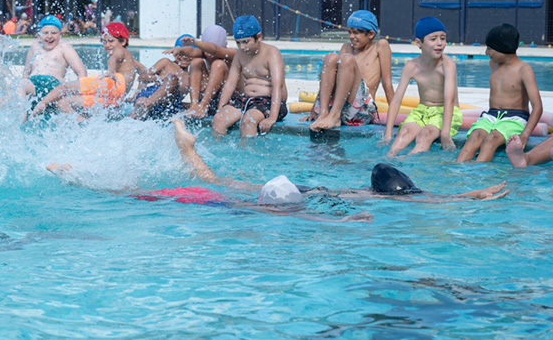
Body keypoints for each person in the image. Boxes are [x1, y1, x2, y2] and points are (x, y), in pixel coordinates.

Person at [47, 120, 507, 221]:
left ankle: (189, 153)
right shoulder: (268, 209)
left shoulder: (269, 200)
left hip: (258, 190)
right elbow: (302, 215)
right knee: (130, 194)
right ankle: (78, 177)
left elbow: (303, 211)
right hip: (220, 197)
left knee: (206, 181)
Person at [457, 24, 543, 163]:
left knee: (491, 139)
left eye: (490, 48)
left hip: (515, 118)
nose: (486, 53)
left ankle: (477, 175)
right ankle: (456, 170)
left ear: (503, 48)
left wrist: (525, 135)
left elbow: (537, 107)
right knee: (475, 136)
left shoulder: (524, 70)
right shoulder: (494, 64)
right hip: (491, 115)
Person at [382, 17, 462, 157]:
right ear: (419, 43)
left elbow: (449, 99)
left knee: (425, 134)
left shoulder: (448, 65)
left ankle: (408, 165)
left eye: (442, 38)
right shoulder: (411, 67)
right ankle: (388, 161)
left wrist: (445, 134)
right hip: (422, 112)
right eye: (433, 39)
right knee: (404, 133)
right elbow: (396, 100)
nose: (439, 43)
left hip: (445, 111)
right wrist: (388, 134)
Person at [303, 10, 395, 132]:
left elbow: (387, 83)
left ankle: (334, 116)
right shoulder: (346, 47)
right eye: (350, 32)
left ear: (371, 34)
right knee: (330, 58)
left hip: (361, 110)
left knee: (347, 59)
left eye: (356, 33)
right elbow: (332, 80)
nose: (351, 37)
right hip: (340, 107)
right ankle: (323, 113)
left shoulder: (380, 46)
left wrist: (395, 114)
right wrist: (314, 109)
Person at [29, 22, 143, 120]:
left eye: (110, 41)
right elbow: (145, 73)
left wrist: (111, 72)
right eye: (104, 42)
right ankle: (83, 122)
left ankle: (41, 105)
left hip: (112, 84)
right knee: (63, 102)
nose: (107, 45)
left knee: (65, 88)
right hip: (116, 97)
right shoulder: (131, 59)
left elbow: (112, 60)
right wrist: (138, 92)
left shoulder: (120, 50)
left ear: (122, 41)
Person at [211, 15, 288, 138]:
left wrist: (272, 117)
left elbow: (277, 86)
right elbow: (230, 84)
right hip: (246, 99)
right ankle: (218, 154)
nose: (242, 47)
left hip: (269, 101)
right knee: (219, 119)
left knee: (248, 121)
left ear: (259, 37)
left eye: (246, 42)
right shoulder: (240, 54)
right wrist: (220, 109)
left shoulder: (272, 53)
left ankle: (248, 154)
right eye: (238, 43)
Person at [18, 14, 88, 113]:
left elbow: (81, 71)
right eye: (45, 33)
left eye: (54, 33)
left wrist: (80, 92)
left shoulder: (64, 47)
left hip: (54, 86)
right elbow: (26, 73)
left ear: (60, 34)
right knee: (20, 85)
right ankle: (20, 120)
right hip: (33, 85)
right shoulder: (34, 47)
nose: (49, 36)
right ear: (39, 35)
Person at [165, 25, 236, 119]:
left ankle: (203, 106)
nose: (210, 54)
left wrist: (196, 42)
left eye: (211, 50)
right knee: (196, 62)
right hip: (208, 98)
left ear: (224, 46)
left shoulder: (231, 53)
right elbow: (192, 51)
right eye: (206, 51)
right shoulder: (202, 52)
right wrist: (180, 49)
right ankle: (194, 105)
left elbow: (214, 50)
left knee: (218, 64)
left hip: (226, 100)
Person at [131, 35, 193, 120]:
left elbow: (179, 100)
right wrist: (160, 78)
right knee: (172, 79)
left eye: (188, 54)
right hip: (151, 94)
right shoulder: (166, 62)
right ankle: (140, 109)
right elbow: (142, 77)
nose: (184, 57)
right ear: (174, 52)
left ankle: (143, 106)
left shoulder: (192, 76)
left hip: (168, 107)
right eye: (180, 53)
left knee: (173, 81)